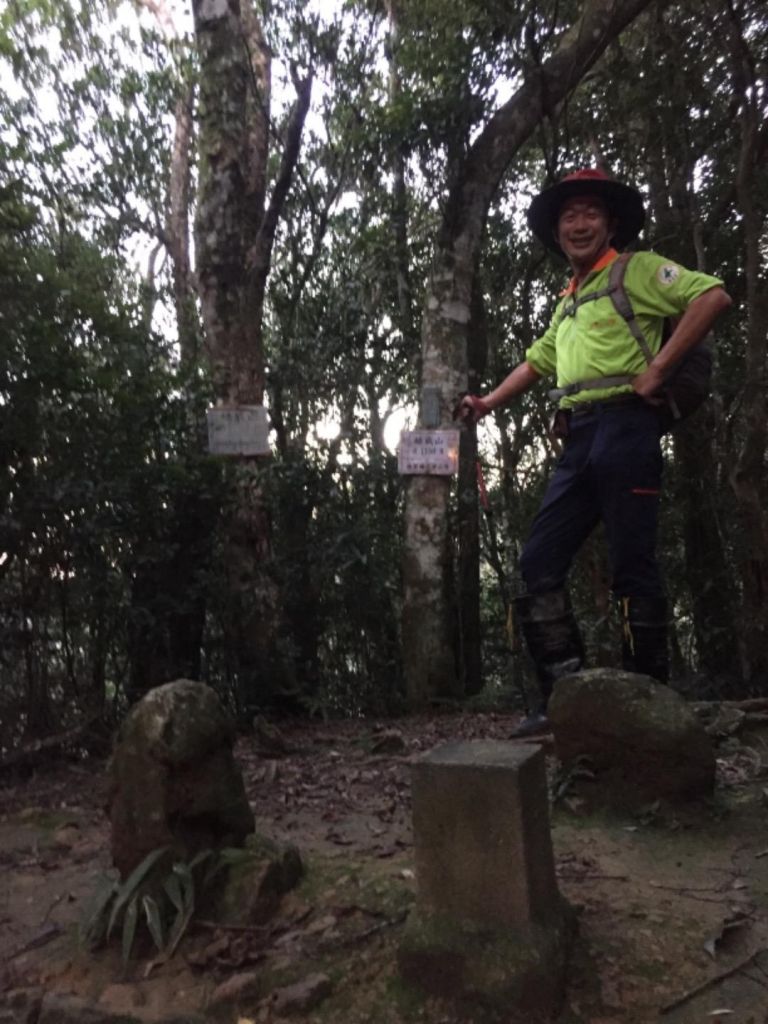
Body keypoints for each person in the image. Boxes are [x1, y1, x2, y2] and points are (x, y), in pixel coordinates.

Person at [458, 168, 731, 736]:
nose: (579, 224)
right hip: (579, 436)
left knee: (634, 562)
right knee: (539, 561)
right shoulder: (569, 302)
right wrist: (487, 403)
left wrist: (657, 369)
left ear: (609, 225)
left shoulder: (634, 271)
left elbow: (712, 295)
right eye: (568, 216)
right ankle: (564, 700)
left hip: (629, 428)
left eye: (590, 214)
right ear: (558, 232)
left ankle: (648, 707)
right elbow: (537, 362)